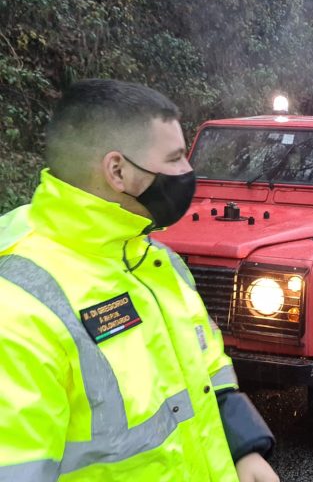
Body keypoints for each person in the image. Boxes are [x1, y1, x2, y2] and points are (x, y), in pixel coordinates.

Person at [0, 79, 279, 482]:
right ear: (118, 170)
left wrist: (243, 449)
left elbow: (204, 367)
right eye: (176, 158)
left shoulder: (152, 259)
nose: (188, 172)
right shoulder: (19, 307)